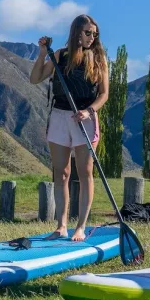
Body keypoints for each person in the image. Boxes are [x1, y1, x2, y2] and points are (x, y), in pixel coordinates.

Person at [29, 14, 109, 242]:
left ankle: (81, 227)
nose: (92, 37)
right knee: (61, 173)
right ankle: (61, 225)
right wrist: (43, 53)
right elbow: (35, 79)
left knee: (84, 173)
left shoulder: (99, 60)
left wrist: (89, 111)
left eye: (95, 34)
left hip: (85, 118)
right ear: (76, 33)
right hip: (60, 116)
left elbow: (104, 94)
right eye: (87, 33)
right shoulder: (60, 56)